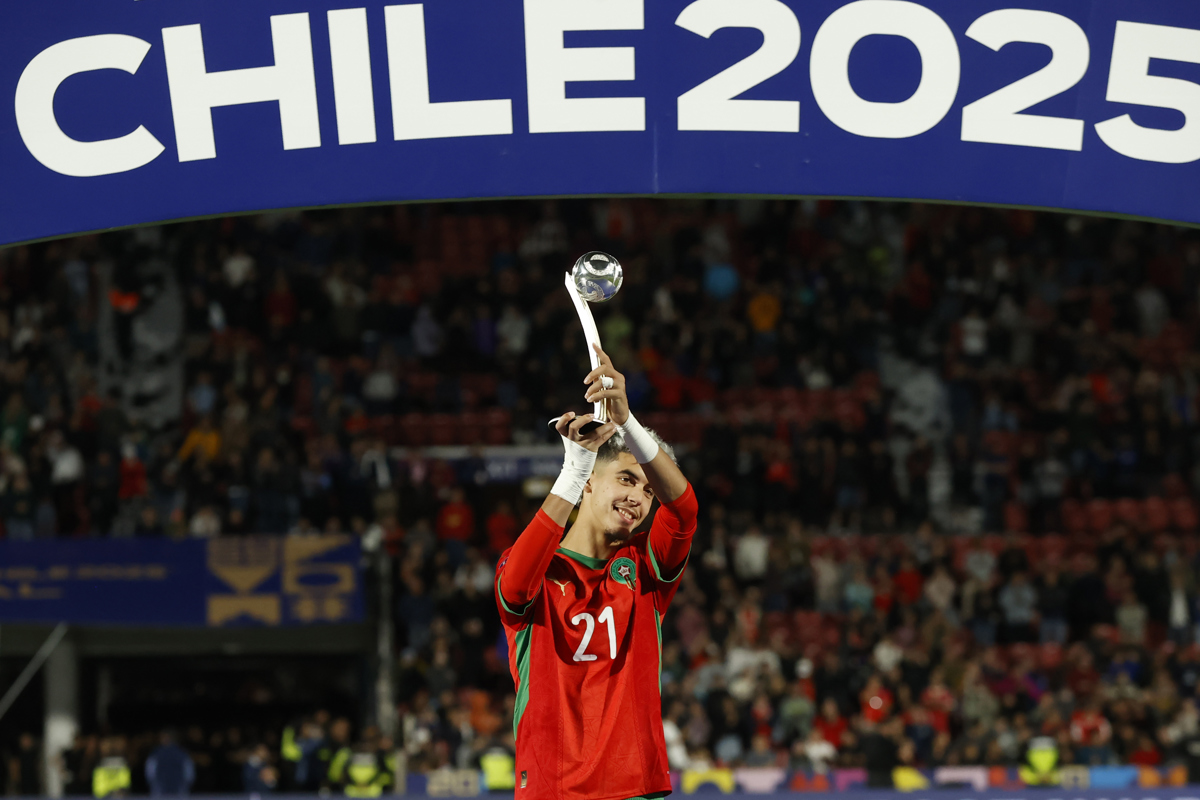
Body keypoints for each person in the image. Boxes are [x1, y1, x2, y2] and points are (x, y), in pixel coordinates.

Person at [495, 344, 698, 800]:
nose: (638, 498)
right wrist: (573, 468)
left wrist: (629, 421)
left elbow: (684, 510)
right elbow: (514, 585)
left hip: (635, 786)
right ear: (588, 482)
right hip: (554, 789)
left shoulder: (646, 567)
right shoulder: (531, 566)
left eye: (647, 490)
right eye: (626, 479)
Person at [145, 730, 195, 796]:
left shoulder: (156, 754)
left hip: (170, 790)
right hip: (169, 790)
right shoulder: (182, 753)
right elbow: (189, 775)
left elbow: (150, 774)